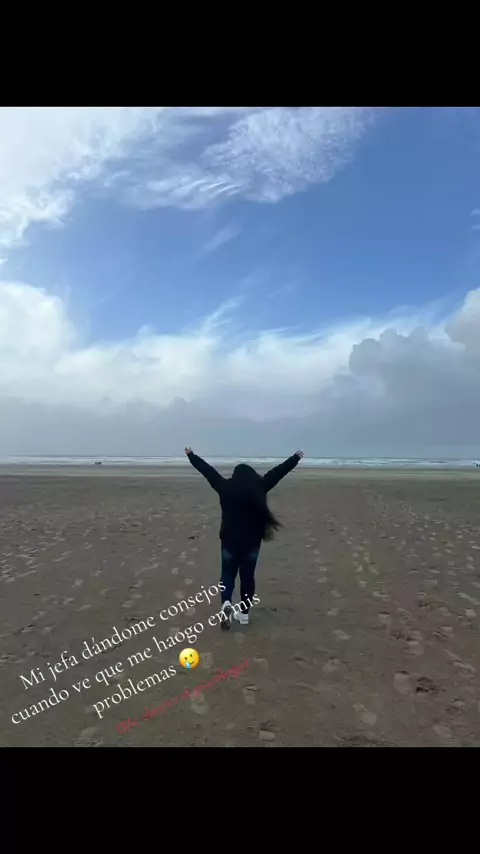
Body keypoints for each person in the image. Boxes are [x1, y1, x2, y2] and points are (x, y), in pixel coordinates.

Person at [184, 447, 304, 629]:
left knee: (227, 574)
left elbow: (208, 471)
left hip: (229, 540)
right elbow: (278, 472)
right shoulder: (260, 487)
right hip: (251, 542)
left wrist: (191, 456)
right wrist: (295, 458)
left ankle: (226, 603)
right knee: (248, 577)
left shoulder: (225, 487)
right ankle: (244, 614)